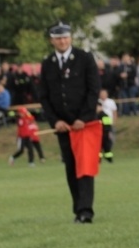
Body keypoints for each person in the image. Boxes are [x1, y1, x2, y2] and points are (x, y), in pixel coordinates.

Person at [37, 22, 102, 224]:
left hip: (83, 125)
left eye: (65, 37)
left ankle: (86, 211)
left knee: (85, 166)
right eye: (58, 38)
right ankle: (78, 209)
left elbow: (94, 90)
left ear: (71, 38)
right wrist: (55, 121)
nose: (62, 41)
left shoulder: (84, 58)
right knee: (71, 167)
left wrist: (84, 117)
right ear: (52, 41)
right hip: (63, 127)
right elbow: (44, 96)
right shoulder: (47, 64)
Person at [97, 89, 117, 163]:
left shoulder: (104, 115)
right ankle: (98, 159)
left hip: (104, 133)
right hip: (98, 133)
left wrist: (107, 132)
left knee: (107, 145)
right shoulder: (95, 116)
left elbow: (107, 126)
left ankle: (108, 158)